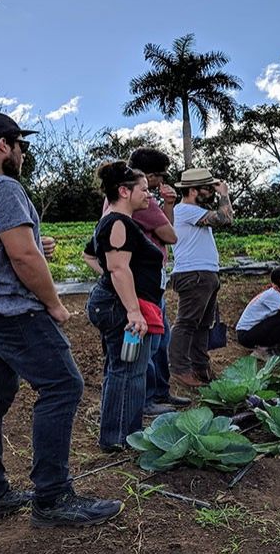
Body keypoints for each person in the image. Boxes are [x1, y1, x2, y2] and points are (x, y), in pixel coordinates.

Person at [0, 112, 123, 528]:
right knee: (63, 386)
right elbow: (22, 256)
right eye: (20, 145)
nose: (24, 153)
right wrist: (55, 304)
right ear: (3, 145)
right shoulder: (2, 186)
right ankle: (53, 496)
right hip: (14, 310)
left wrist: (31, 243)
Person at [101, 147, 189, 416]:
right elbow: (171, 236)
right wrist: (130, 302)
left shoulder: (121, 205)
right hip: (142, 286)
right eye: (158, 178)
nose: (160, 185)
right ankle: (144, 401)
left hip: (147, 283)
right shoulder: (136, 206)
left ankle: (156, 393)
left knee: (158, 340)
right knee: (145, 346)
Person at [85, 161, 165, 451]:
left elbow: (107, 263)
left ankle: (122, 434)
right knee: (128, 371)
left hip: (121, 302)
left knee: (124, 369)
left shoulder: (119, 222)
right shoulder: (118, 222)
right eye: (143, 190)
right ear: (123, 191)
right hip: (121, 307)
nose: (149, 196)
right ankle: (121, 438)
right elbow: (118, 269)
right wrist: (133, 310)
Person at [168, 168, 234, 388]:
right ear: (194, 190)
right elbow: (225, 218)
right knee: (187, 322)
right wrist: (224, 194)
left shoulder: (194, 211)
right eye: (207, 188)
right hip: (193, 273)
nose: (212, 191)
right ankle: (180, 368)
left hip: (204, 273)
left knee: (203, 324)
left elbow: (226, 219)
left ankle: (200, 366)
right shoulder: (185, 209)